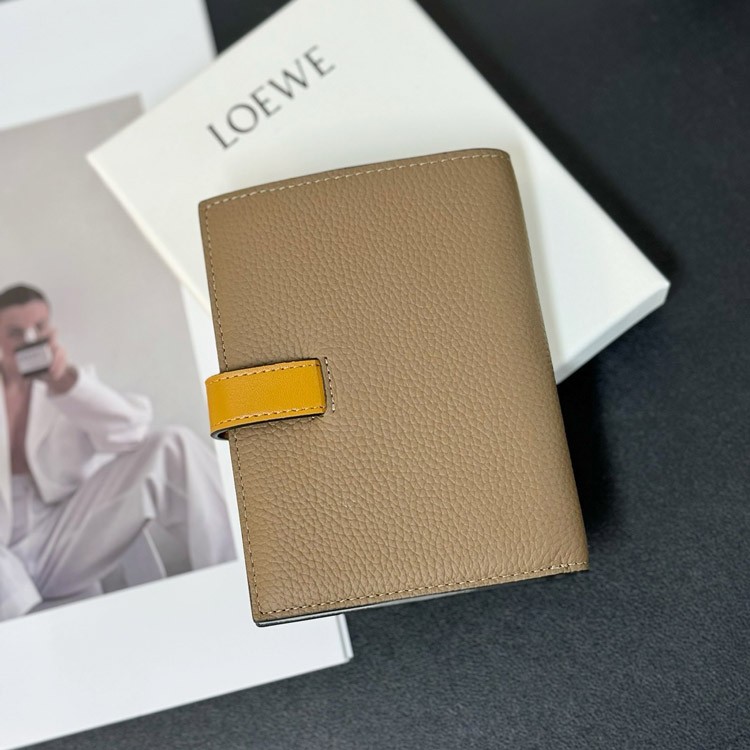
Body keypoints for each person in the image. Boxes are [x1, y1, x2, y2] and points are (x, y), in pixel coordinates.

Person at [0, 284, 234, 621]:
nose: (29, 339)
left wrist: (65, 383)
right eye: (15, 333)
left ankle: (237, 584)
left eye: (39, 328)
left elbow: (131, 433)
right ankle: (26, 627)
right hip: (4, 553)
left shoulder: (72, 386)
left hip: (62, 537)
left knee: (173, 445)